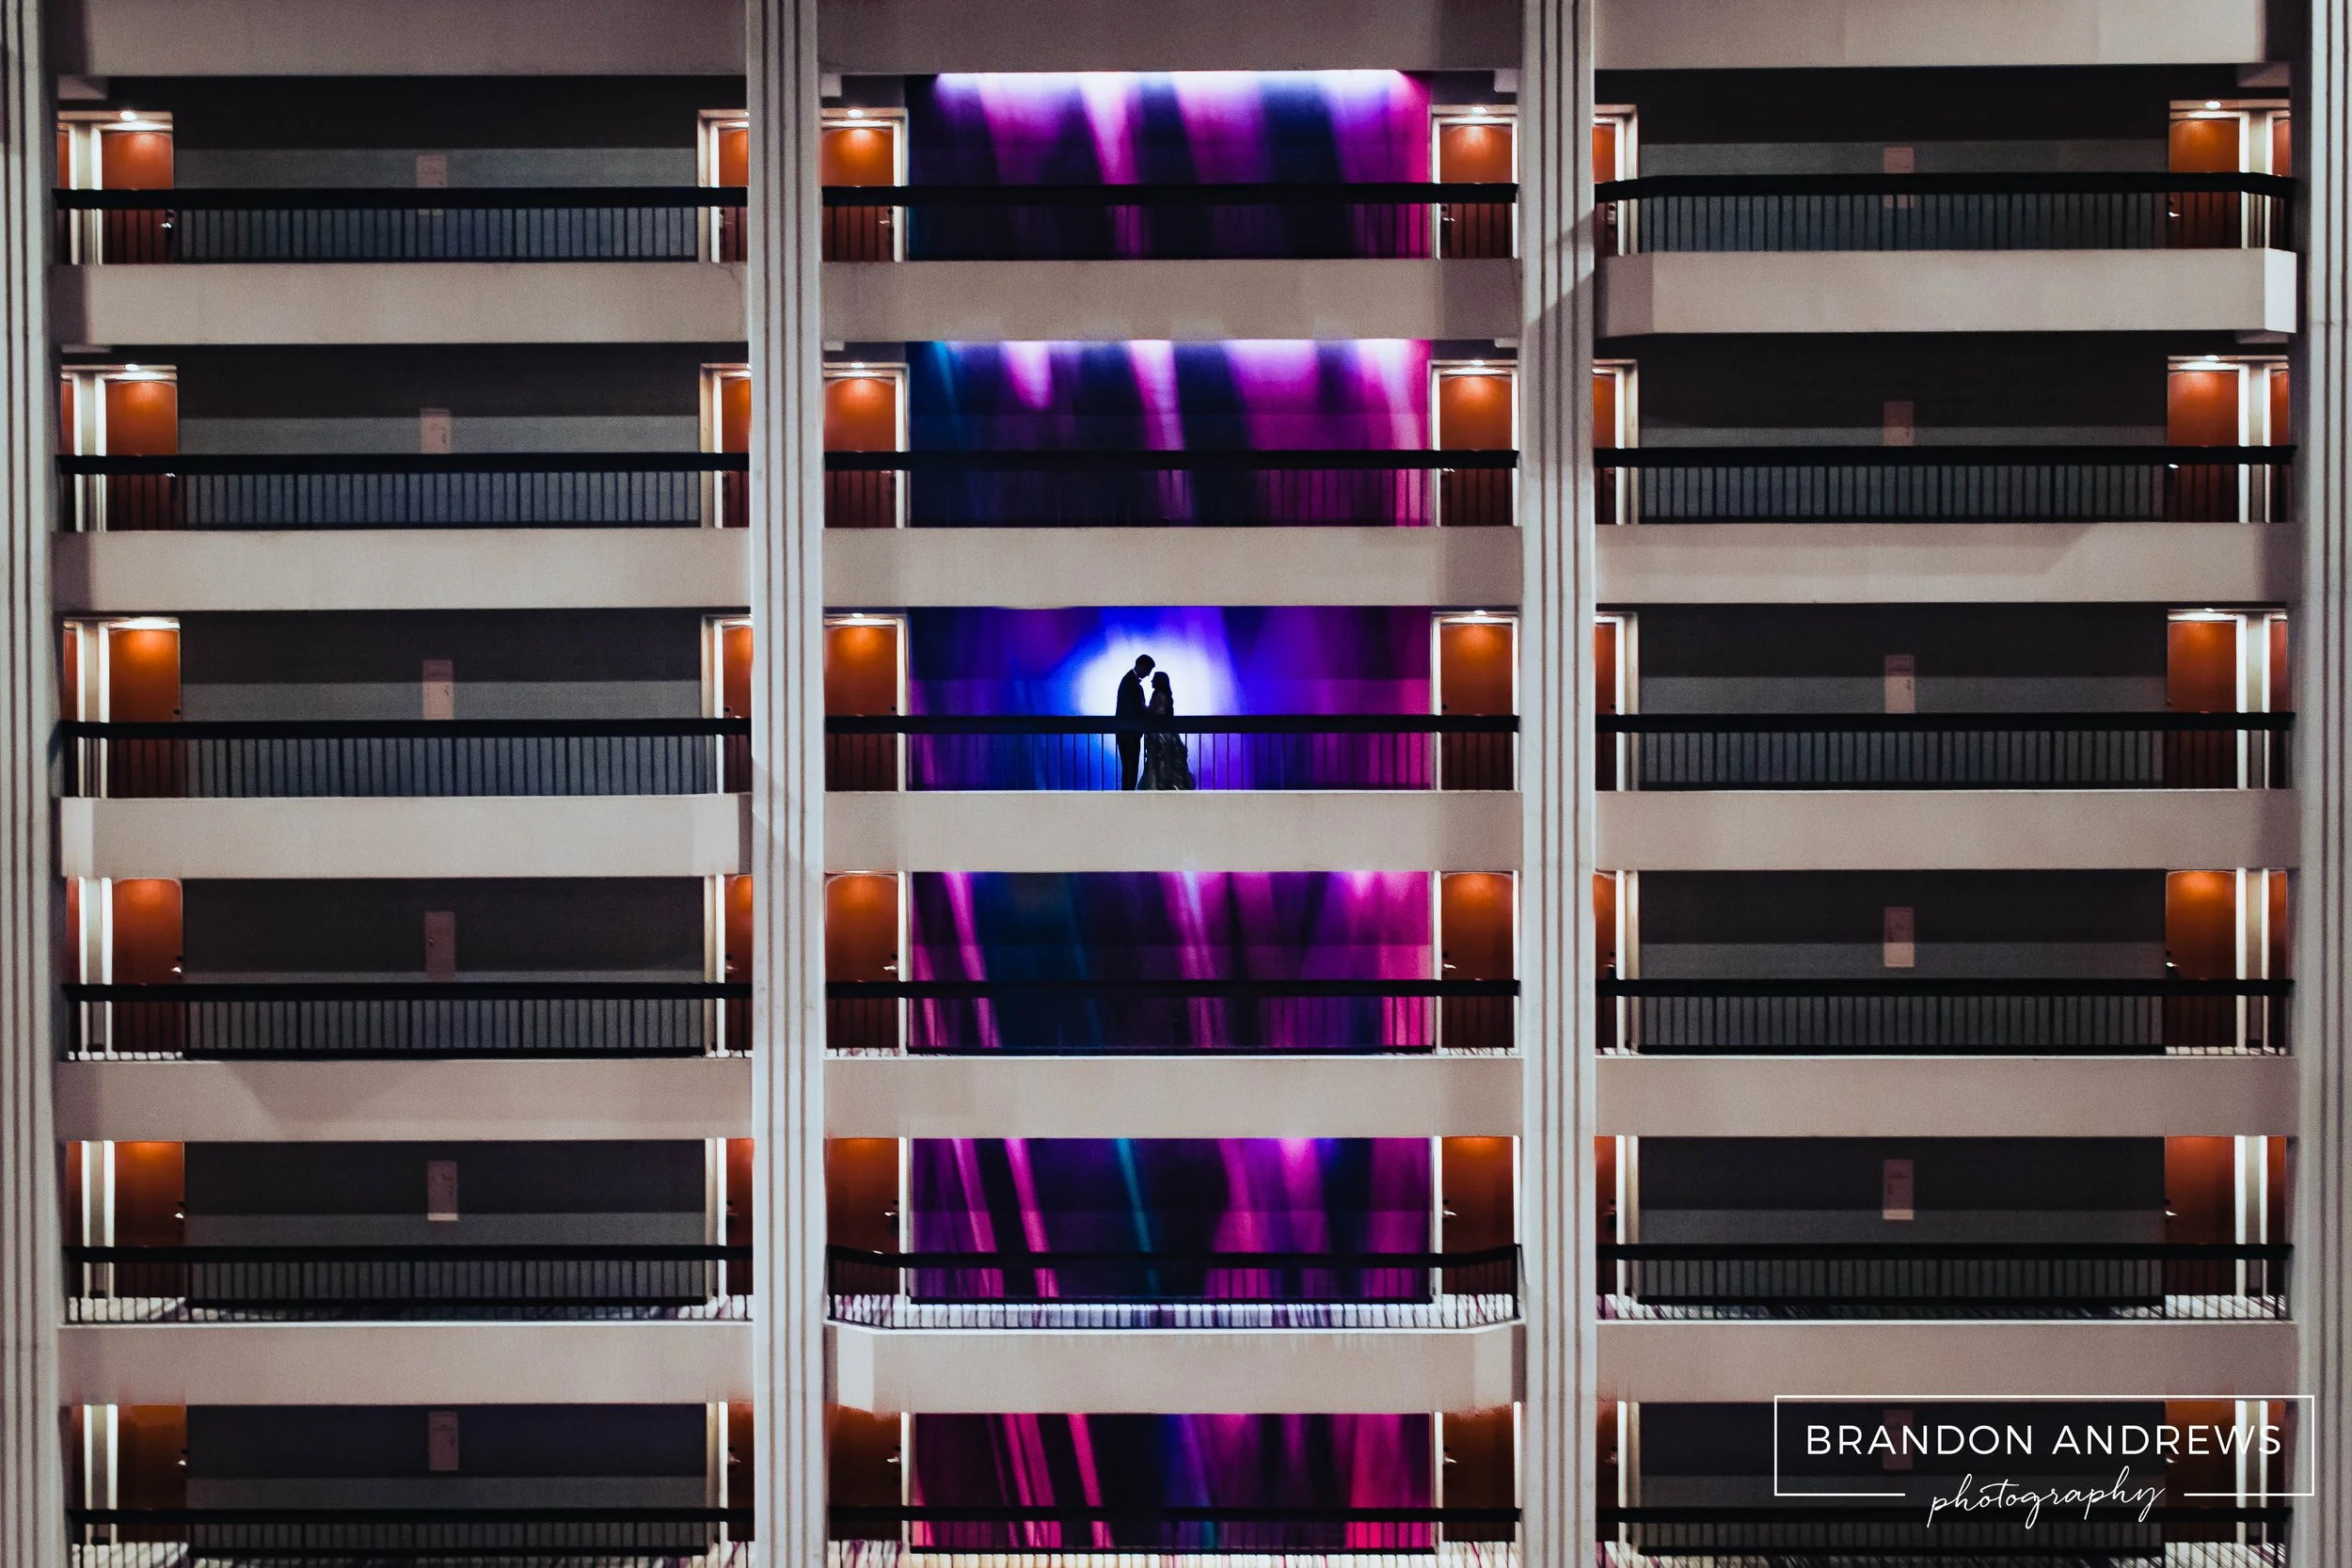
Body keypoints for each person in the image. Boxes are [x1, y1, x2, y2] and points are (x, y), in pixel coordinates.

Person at [1138, 671, 1195, 790]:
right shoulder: (1167, 695)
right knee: (1170, 763)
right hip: (1168, 734)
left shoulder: (1158, 695)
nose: (1151, 681)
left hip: (1159, 735)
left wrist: (1142, 709)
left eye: (1154, 678)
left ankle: (1159, 787)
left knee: (1159, 763)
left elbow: (1151, 711)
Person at [1114, 655, 1154, 789]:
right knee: (1131, 769)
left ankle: (1127, 799)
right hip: (1129, 734)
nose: (1148, 675)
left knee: (1128, 770)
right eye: (1148, 670)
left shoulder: (1128, 681)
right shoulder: (1132, 684)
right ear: (1142, 665)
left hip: (1126, 733)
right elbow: (1137, 708)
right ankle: (1129, 799)